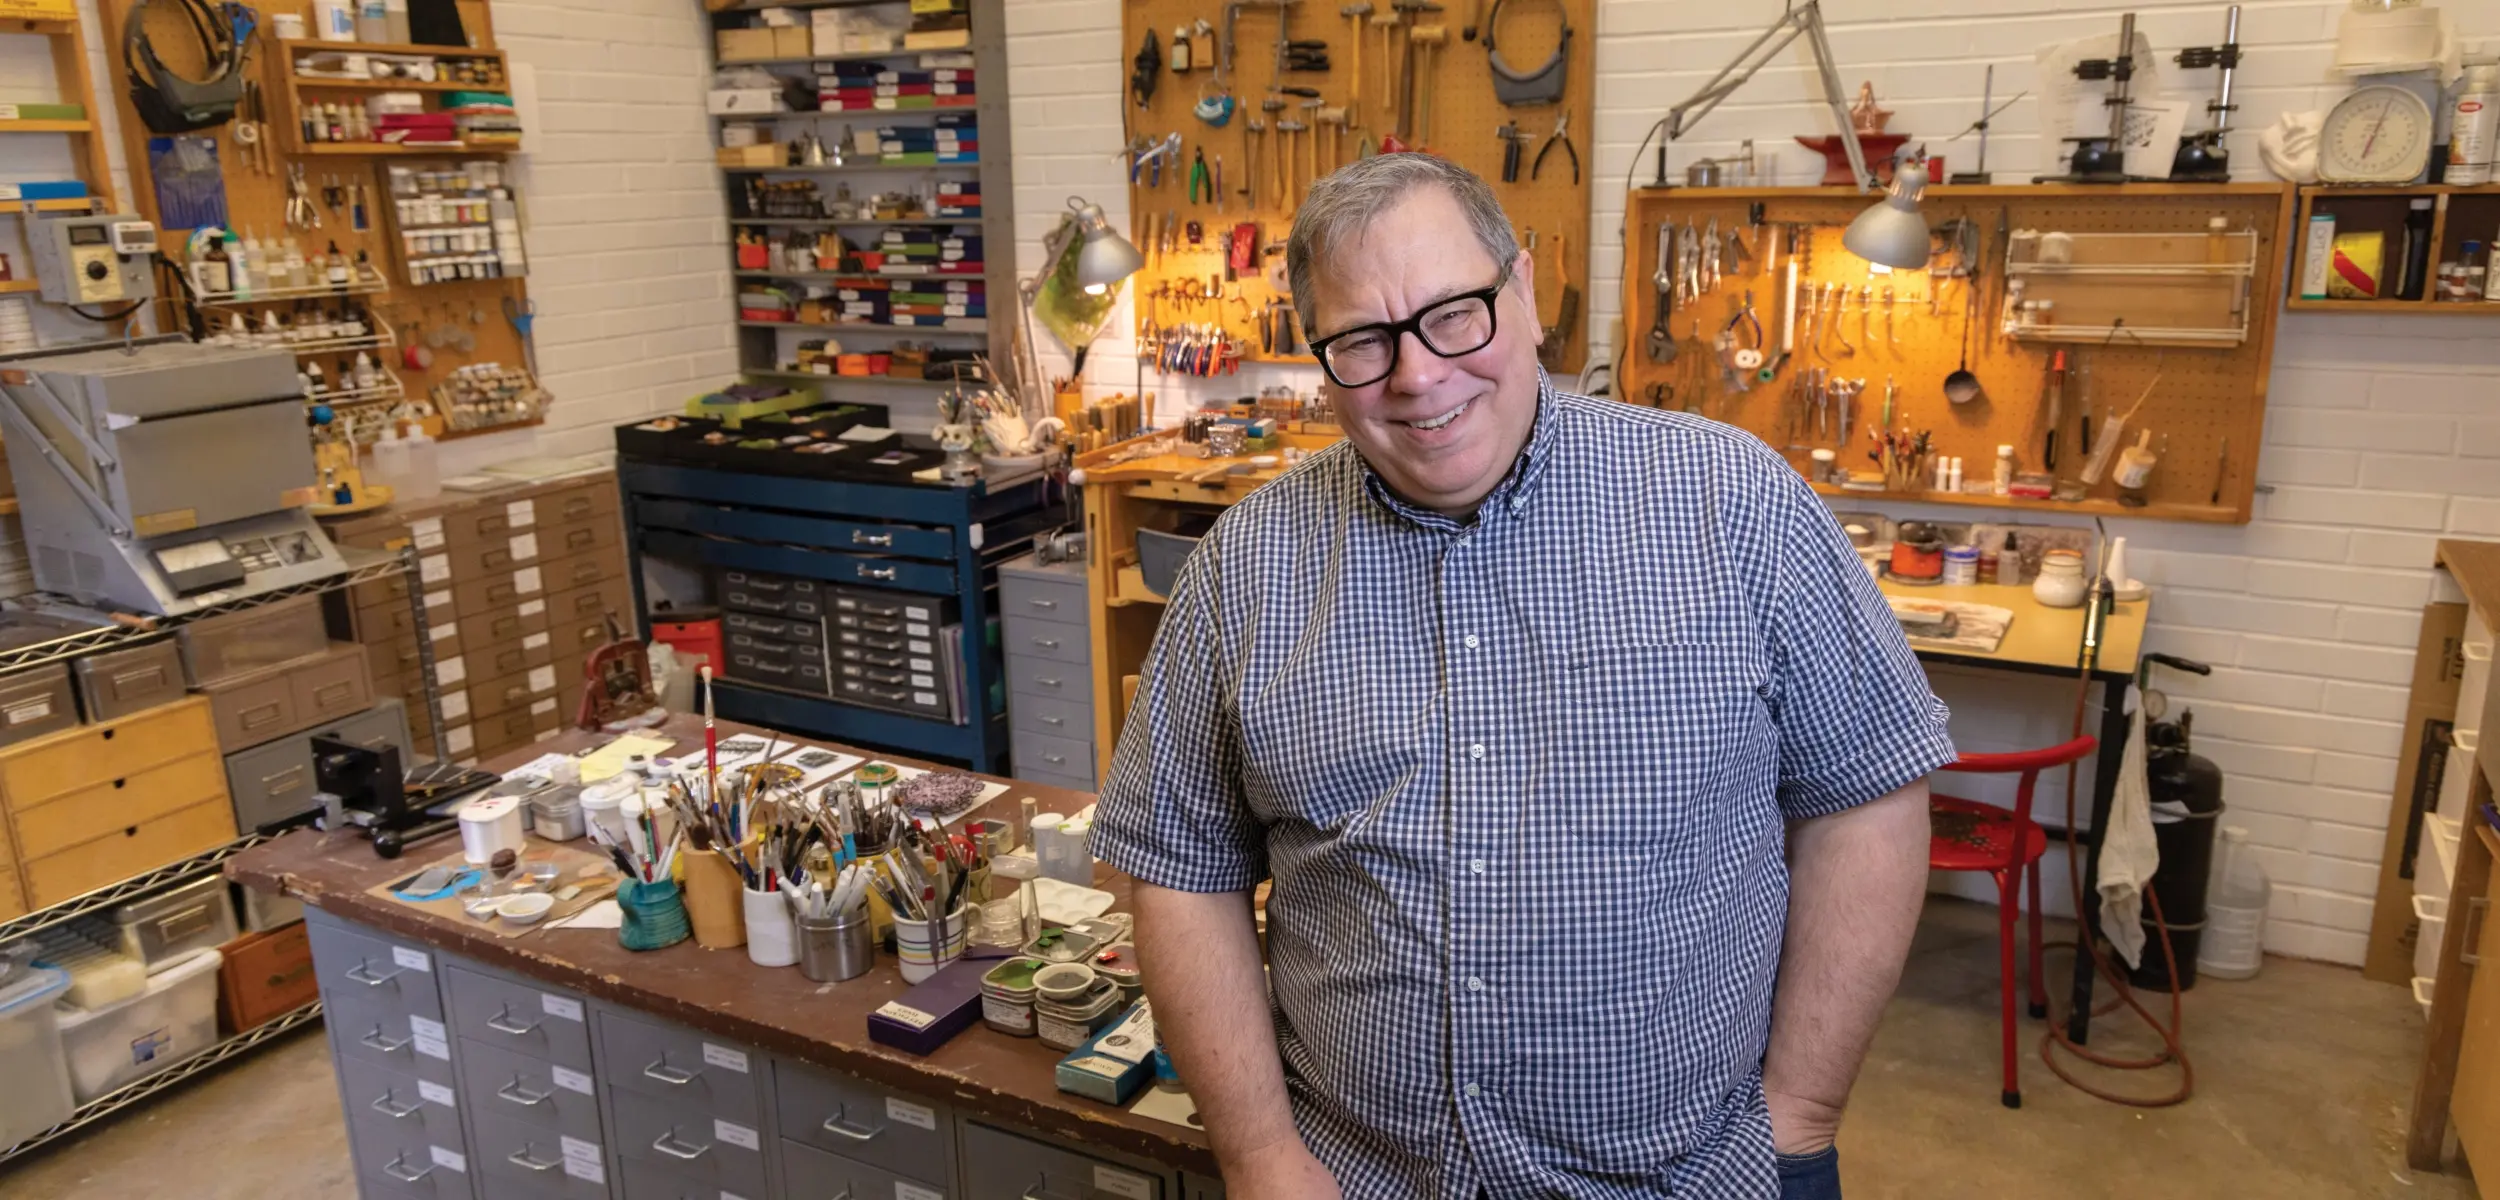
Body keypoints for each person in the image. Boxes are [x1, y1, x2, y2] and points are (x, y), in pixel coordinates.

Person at [1091, 153, 1954, 1200]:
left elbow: (1867, 796)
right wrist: (1261, 1156)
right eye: (1362, 341)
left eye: (1455, 314)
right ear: (1322, 361)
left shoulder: (1734, 507)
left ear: (1527, 293)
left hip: (1696, 1176)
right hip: (1362, 1180)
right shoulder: (1244, 570)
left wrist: (1801, 1112)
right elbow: (1182, 871)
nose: (1416, 376)